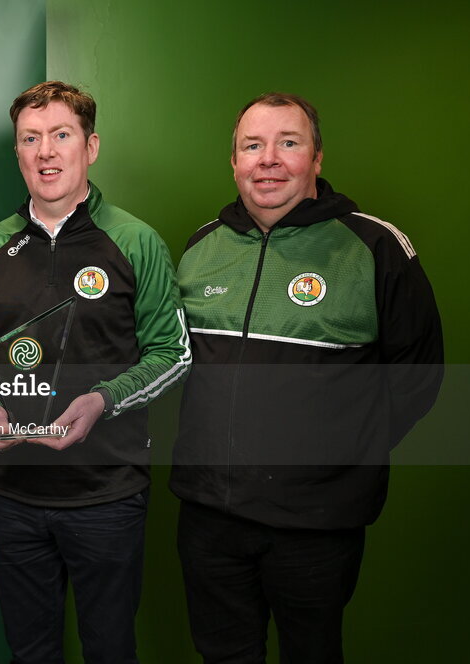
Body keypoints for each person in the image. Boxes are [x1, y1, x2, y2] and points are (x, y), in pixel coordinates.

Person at [172, 92, 443, 663]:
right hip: (209, 516)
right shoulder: (201, 247)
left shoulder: (374, 246)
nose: (268, 159)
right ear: (235, 161)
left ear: (317, 158)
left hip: (317, 523)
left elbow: (419, 377)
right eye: (253, 145)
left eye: (288, 143)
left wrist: (336, 455)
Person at [0, 81, 191, 663]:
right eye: (31, 139)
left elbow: (171, 353)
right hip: (13, 497)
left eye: (61, 135)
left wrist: (102, 401)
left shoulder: (134, 241)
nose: (46, 152)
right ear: (18, 153)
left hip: (107, 496)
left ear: (91, 146)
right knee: (31, 652)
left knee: (109, 649)